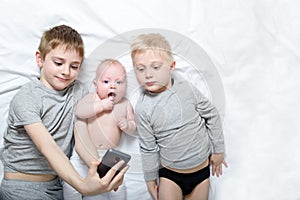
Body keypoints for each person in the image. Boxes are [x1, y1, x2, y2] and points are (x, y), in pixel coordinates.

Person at [0, 25, 128, 200]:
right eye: (58, 63)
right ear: (40, 59)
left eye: (74, 66)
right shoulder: (27, 97)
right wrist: (83, 186)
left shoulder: (78, 93)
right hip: (21, 187)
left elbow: (81, 137)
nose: (66, 71)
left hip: (56, 186)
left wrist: (99, 170)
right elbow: (48, 147)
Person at [130, 33, 228, 200]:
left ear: (172, 66)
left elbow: (211, 115)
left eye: (155, 67)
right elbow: (148, 147)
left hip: (201, 172)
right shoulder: (143, 108)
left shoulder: (186, 89)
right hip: (170, 175)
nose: (148, 74)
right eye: (141, 69)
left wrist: (218, 151)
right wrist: (150, 178)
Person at [63, 59, 136, 199]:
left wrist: (128, 125)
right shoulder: (92, 98)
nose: (113, 86)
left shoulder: (125, 104)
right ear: (96, 85)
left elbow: (133, 126)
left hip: (109, 157)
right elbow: (79, 111)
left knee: (117, 189)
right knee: (70, 185)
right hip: (84, 155)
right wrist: (101, 106)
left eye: (119, 82)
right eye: (106, 82)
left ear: (126, 85)